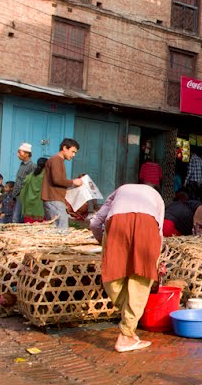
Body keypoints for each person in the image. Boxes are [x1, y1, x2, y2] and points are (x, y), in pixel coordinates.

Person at [89, 184, 165, 353]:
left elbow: (95, 223)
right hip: (148, 224)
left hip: (116, 223)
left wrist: (104, 242)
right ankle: (126, 334)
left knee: (112, 273)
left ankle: (127, 324)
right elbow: (159, 230)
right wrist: (156, 258)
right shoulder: (156, 196)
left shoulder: (118, 192)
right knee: (141, 279)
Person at [42, 138, 83, 230]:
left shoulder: (58, 160)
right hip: (54, 199)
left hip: (54, 198)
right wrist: (73, 182)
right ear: (65, 148)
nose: (73, 155)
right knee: (61, 228)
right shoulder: (56, 160)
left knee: (56, 228)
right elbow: (57, 180)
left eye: (75, 153)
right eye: (72, 151)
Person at [10, 142, 35, 223]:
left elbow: (31, 183)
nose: (17, 154)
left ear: (27, 154)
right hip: (17, 195)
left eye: (19, 152)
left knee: (16, 218)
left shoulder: (32, 166)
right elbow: (18, 181)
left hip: (24, 195)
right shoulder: (22, 165)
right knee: (16, 217)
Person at [20, 157, 48, 222]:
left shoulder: (31, 175)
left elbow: (24, 186)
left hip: (28, 202)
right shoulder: (46, 176)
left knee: (28, 226)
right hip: (40, 204)